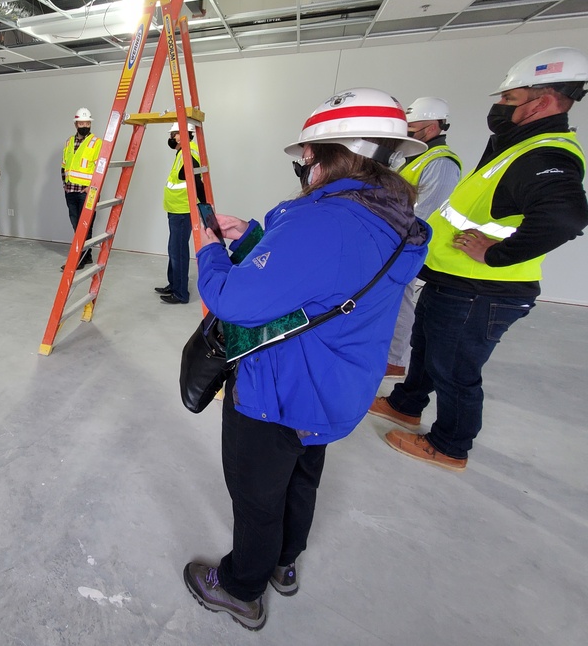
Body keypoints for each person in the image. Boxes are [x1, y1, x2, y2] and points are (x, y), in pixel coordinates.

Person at [183, 89, 429, 631]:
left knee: (257, 494)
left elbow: (234, 301)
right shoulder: (393, 217)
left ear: (333, 154)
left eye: (309, 156)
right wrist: (250, 237)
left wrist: (206, 248)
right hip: (334, 390)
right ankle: (284, 563)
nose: (305, 166)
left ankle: (241, 588)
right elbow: (315, 280)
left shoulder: (325, 221)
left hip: (280, 392)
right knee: (302, 479)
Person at [370, 47, 588, 472]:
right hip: (452, 280)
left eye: (508, 99)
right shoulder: (514, 147)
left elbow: (565, 215)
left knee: (455, 369)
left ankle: (450, 444)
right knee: (428, 348)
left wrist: (497, 254)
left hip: (483, 290)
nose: (499, 107)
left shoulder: (545, 154)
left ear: (541, 102)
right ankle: (406, 404)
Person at [384, 98, 462, 377]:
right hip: (395, 240)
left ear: (432, 128)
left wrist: (400, 242)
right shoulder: (414, 158)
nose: (408, 133)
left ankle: (393, 360)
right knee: (390, 297)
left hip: (410, 244)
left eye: (413, 128)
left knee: (401, 298)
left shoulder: (441, 162)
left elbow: (427, 212)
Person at [155, 121, 205, 304]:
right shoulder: (182, 153)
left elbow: (197, 181)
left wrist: (205, 203)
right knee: (174, 249)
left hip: (183, 211)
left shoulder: (188, 154)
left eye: (174, 134)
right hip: (176, 209)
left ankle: (181, 293)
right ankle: (174, 284)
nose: (171, 137)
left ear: (185, 134)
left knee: (179, 252)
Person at [61, 106, 101, 270]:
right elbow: (64, 165)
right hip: (70, 190)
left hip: (87, 192)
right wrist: (64, 184)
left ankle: (80, 259)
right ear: (76, 124)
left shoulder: (97, 143)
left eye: (87, 122)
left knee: (85, 225)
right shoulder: (69, 142)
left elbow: (101, 168)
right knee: (76, 224)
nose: (84, 125)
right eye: (81, 122)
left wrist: (92, 187)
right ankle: (88, 255)